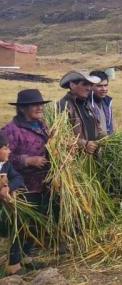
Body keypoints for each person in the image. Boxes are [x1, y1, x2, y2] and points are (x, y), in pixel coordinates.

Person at [1, 89, 54, 274]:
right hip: (22, 186)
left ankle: (25, 256)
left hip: (42, 183)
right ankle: (13, 265)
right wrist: (27, 160)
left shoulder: (43, 126)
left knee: (36, 221)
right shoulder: (11, 130)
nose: (39, 108)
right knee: (20, 224)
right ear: (23, 108)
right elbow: (3, 158)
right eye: (34, 105)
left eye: (41, 104)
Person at [0, 132, 30, 275]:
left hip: (4, 210)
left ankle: (14, 263)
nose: (9, 151)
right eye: (5, 148)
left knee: (20, 220)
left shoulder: (6, 165)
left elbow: (18, 178)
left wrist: (8, 188)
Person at [56, 71, 102, 154]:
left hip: (92, 157)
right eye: (85, 84)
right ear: (72, 85)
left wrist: (103, 138)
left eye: (90, 85)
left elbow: (97, 127)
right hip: (75, 158)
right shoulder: (63, 106)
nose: (89, 88)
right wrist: (84, 144)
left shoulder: (88, 105)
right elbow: (60, 136)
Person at [89, 70, 114, 136]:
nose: (104, 89)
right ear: (90, 86)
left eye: (105, 85)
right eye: (99, 86)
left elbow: (109, 128)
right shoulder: (85, 104)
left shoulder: (107, 102)